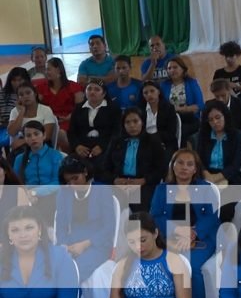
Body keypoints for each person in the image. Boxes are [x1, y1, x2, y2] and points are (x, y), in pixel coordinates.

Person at [150, 149, 220, 298]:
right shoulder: (162, 189)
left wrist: (193, 232)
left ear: (196, 168)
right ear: (172, 165)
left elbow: (213, 217)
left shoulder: (204, 187)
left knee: (191, 267)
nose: (184, 168)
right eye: (180, 163)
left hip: (202, 239)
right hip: (171, 237)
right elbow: (156, 216)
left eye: (190, 164)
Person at [55, 154, 115, 282]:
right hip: (71, 244)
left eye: (75, 178)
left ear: (85, 172)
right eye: (68, 181)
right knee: (53, 267)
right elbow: (60, 225)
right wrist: (64, 245)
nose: (72, 184)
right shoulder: (63, 193)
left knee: (75, 270)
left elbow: (109, 227)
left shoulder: (102, 190)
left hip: (98, 244)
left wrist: (85, 244)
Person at [99, 107, 167, 212]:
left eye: (135, 121)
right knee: (108, 207)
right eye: (127, 122)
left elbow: (162, 169)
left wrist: (143, 180)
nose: (132, 125)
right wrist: (114, 180)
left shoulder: (153, 141)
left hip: (144, 183)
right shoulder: (116, 141)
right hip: (120, 182)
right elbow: (104, 167)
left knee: (139, 209)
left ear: (142, 122)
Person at [197, 100, 241, 222]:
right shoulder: (203, 135)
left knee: (224, 209)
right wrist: (207, 175)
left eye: (218, 117)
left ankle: (223, 236)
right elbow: (198, 159)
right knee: (197, 205)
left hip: (231, 177)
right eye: (210, 119)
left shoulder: (237, 135)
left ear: (225, 116)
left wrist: (217, 178)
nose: (215, 122)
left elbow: (236, 164)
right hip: (206, 176)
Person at [68, 78, 121, 167]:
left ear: (104, 93)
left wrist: (102, 147)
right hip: (82, 147)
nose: (92, 92)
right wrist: (77, 146)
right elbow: (72, 131)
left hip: (105, 146)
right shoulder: (78, 108)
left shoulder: (113, 109)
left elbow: (116, 132)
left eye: (97, 89)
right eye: (89, 89)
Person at [13, 121, 63, 214]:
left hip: (51, 195)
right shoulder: (19, 159)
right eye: (28, 135)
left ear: (44, 135)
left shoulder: (55, 155)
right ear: (25, 139)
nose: (33, 138)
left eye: (36, 134)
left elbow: (58, 182)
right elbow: (16, 183)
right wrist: (27, 194)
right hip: (27, 196)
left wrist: (35, 192)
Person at [159, 56, 205, 147]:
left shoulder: (192, 83)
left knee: (180, 131)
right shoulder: (164, 85)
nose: (172, 70)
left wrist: (185, 109)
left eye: (175, 67)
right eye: (169, 68)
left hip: (190, 119)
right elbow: (161, 105)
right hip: (171, 119)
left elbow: (200, 105)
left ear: (183, 69)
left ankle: (182, 156)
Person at [35, 57, 84, 132]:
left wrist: (70, 117)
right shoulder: (41, 88)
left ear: (58, 70)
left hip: (70, 121)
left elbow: (80, 109)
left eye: (49, 69)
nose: (46, 72)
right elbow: (37, 107)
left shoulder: (75, 87)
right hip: (48, 122)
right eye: (46, 69)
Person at [7, 81, 57, 152]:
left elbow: (47, 135)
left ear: (35, 94)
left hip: (42, 143)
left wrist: (24, 141)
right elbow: (12, 132)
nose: (25, 96)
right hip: (21, 146)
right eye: (21, 95)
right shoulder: (15, 111)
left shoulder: (46, 110)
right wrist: (21, 112)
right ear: (18, 98)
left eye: (28, 93)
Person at [139, 80, 179, 160]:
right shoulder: (140, 110)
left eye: (152, 91)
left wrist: (155, 138)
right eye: (145, 93)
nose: (149, 94)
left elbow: (171, 133)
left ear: (159, 92)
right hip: (145, 142)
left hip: (165, 142)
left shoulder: (168, 108)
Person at [0, 67, 26, 148]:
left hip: (22, 127)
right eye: (14, 80)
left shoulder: (29, 94)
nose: (16, 83)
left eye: (19, 80)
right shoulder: (2, 94)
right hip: (4, 127)